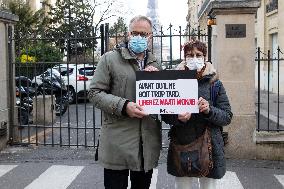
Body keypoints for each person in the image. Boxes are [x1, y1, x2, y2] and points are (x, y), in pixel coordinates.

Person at [88, 15, 162, 189]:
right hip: (117, 142)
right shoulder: (109, 59)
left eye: (144, 34)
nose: (139, 37)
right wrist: (124, 106)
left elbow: (162, 98)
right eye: (135, 32)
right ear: (128, 34)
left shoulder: (155, 62)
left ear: (150, 36)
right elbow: (94, 92)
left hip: (146, 144)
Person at [162, 40, 233, 189]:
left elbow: (226, 116)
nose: (194, 58)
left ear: (205, 57)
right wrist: (177, 117)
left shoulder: (215, 84)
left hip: (210, 146)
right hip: (182, 143)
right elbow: (166, 115)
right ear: (184, 58)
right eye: (190, 55)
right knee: (182, 186)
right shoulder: (174, 81)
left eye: (198, 55)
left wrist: (209, 110)